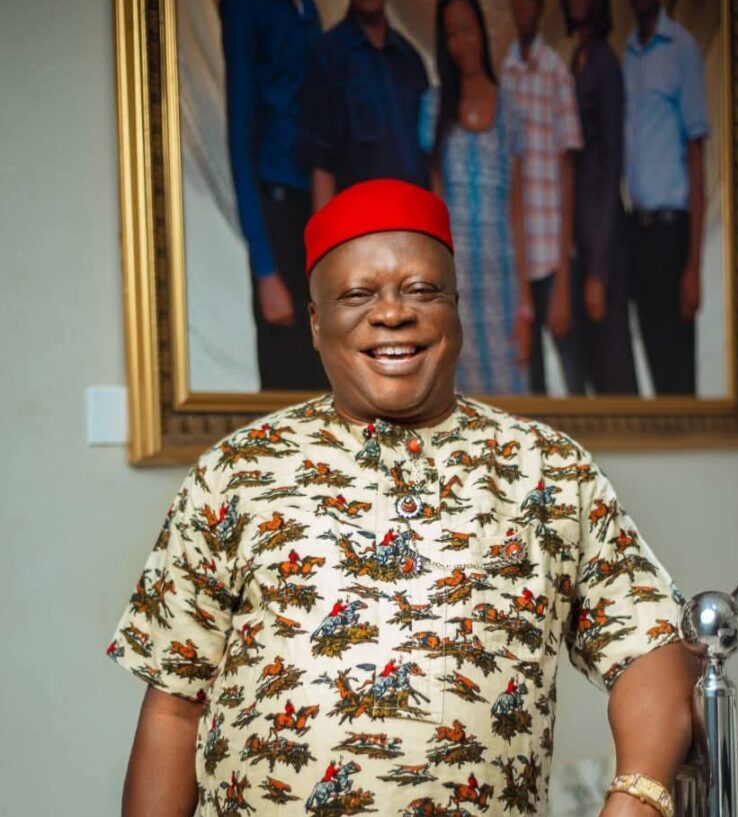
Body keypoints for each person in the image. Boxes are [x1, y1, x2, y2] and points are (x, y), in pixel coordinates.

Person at [109, 179, 698, 817]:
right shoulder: (234, 472)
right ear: (316, 323)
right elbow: (173, 708)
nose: (392, 314)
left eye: (421, 290)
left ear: (456, 308)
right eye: (357, 294)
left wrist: (637, 798)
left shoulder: (550, 469)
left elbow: (652, 646)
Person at [420, 0, 530, 396]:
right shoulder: (433, 108)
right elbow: (433, 216)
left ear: (482, 31)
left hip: (503, 288)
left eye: (467, 29)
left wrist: (525, 307)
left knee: (510, 410)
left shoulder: (510, 110)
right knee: (460, 409)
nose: (461, 43)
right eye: (450, 34)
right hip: (456, 288)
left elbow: (517, 215)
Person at [219, 0, 327, 390]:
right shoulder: (245, 2)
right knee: (286, 384)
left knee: (328, 376)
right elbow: (240, 138)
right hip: (277, 212)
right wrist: (265, 270)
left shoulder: (307, 4)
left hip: (317, 211)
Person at [624, 0, 709, 395]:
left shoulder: (681, 48)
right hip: (637, 233)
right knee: (654, 364)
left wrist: (693, 266)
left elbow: (696, 159)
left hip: (672, 234)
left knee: (678, 374)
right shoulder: (627, 53)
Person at [502, 0, 586, 396]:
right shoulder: (504, 74)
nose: (524, 5)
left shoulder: (556, 73)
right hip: (520, 261)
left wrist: (565, 279)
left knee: (573, 379)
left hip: (553, 258)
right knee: (530, 385)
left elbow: (570, 176)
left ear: (541, 5)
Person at [559, 0, 638, 394]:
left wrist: (597, 272)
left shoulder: (604, 62)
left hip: (603, 244)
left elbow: (612, 170)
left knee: (614, 371)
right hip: (582, 241)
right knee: (592, 370)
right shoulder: (579, 56)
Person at [296, 0, 429, 212]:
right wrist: (327, 233)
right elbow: (321, 165)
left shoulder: (411, 61)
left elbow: (430, 160)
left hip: (411, 220)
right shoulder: (327, 55)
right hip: (359, 223)